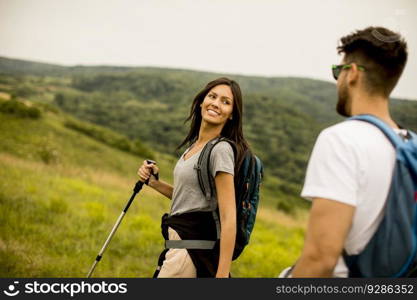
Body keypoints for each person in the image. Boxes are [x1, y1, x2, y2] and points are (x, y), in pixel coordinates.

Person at [287, 26, 409, 277]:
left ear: (351, 73)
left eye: (337, 71)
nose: (337, 80)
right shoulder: (409, 145)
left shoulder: (341, 140)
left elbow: (320, 258)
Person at [137, 77, 250, 277]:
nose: (216, 104)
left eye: (225, 102)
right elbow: (191, 199)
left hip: (190, 252)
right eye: (212, 96)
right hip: (179, 247)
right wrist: (154, 183)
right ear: (201, 102)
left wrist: (222, 275)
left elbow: (228, 216)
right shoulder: (194, 148)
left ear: (232, 114)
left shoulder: (220, 150)